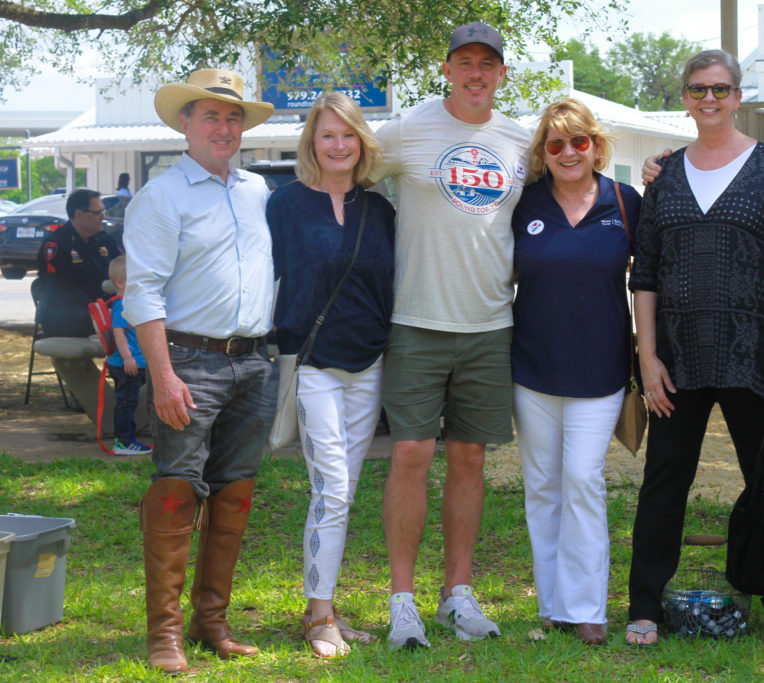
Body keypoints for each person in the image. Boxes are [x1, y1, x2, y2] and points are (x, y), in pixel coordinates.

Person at [626, 49, 764, 646]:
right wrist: (648, 358)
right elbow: (645, 275)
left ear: (737, 97)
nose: (710, 99)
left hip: (755, 356)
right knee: (663, 482)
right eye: (699, 89)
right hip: (677, 360)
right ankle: (644, 605)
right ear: (684, 97)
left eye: (720, 89)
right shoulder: (664, 175)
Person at [363, 21, 531, 649]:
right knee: (410, 454)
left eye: (488, 63)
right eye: (465, 62)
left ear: (502, 74)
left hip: (491, 325)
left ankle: (456, 595)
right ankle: (402, 601)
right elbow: (345, 171)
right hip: (416, 321)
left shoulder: (520, 140)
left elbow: (574, 180)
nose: (476, 73)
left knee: (469, 459)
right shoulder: (407, 130)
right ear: (447, 70)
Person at [122, 68, 276, 674]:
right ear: (184, 124)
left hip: (254, 362)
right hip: (187, 362)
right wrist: (162, 377)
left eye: (233, 117)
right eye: (211, 116)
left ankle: (211, 621)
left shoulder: (258, 191)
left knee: (235, 491)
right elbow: (143, 292)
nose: (224, 127)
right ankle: (164, 634)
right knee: (176, 488)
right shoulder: (161, 196)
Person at [267, 92, 395, 658]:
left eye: (348, 135)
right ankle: (319, 617)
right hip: (313, 363)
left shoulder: (381, 209)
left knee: (346, 488)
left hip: (370, 363)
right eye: (327, 135)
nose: (339, 145)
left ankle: (325, 608)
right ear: (312, 143)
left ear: (361, 142)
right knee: (333, 489)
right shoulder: (285, 205)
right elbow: (266, 276)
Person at [511, 98, 640, 646]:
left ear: (596, 146)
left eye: (579, 141)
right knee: (543, 487)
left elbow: (649, 283)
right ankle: (553, 605)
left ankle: (587, 607)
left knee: (583, 480)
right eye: (556, 143)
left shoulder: (625, 202)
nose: (568, 152)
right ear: (543, 152)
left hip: (601, 367)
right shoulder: (524, 203)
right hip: (532, 367)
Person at [35, 189, 121, 337]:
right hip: (70, 316)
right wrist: (99, 310)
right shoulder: (57, 244)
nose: (103, 217)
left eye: (103, 211)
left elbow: (121, 269)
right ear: (79, 214)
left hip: (103, 310)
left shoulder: (103, 239)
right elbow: (60, 289)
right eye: (97, 213)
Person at [106, 255, 152, 456]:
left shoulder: (130, 302)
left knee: (130, 401)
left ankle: (127, 440)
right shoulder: (123, 304)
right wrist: (127, 357)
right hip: (127, 365)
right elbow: (118, 331)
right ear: (120, 283)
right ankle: (123, 442)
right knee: (127, 403)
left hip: (134, 363)